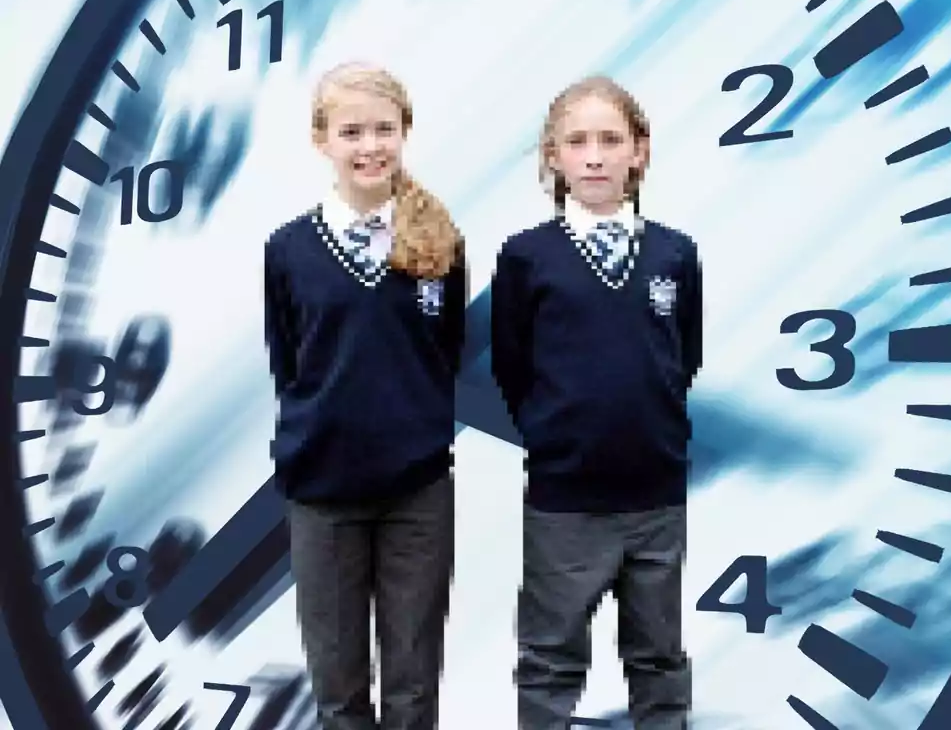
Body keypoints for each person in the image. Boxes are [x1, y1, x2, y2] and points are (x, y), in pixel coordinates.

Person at [490, 75, 702, 729]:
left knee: (659, 660)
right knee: (550, 663)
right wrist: (559, 439)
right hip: (566, 505)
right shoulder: (527, 258)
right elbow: (511, 367)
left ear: (640, 152)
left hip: (656, 500)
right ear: (553, 157)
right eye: (577, 141)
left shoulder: (675, 254)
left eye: (611, 140)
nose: (595, 155)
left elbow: (682, 356)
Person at [262, 62, 466, 730]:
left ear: (405, 132)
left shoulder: (442, 244)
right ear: (322, 141)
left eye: (384, 128)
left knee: (413, 687)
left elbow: (446, 353)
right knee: (340, 691)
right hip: (323, 497)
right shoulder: (288, 250)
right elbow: (289, 363)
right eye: (351, 131)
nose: (369, 144)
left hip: (417, 494)